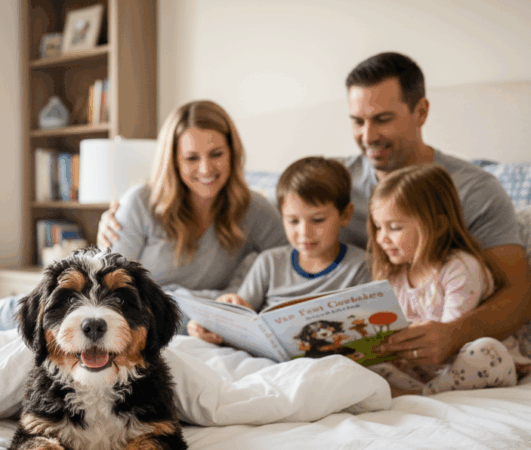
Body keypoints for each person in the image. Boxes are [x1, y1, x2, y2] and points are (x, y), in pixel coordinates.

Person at [98, 52, 531, 364]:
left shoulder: (475, 189)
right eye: (357, 121)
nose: (368, 136)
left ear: (421, 111)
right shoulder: (331, 183)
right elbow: (287, 243)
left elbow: (520, 293)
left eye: (383, 119)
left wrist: (454, 333)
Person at [0, 100, 288, 338]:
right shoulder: (142, 202)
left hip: (197, 322)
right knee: (26, 310)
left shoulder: (256, 210)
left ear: (232, 153)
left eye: (216, 154)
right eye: (191, 158)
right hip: (128, 308)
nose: (206, 169)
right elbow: (110, 284)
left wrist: (234, 306)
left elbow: (291, 267)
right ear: (173, 160)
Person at [367, 163, 529, 396]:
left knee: (485, 352)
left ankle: (422, 396)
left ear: (437, 225)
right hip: (425, 369)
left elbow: (450, 342)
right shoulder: (394, 275)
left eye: (394, 228)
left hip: (462, 360)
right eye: (378, 227)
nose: (382, 238)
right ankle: (428, 391)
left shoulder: (460, 268)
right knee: (363, 365)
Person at [187, 156, 371, 345]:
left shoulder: (362, 267)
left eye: (317, 220)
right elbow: (239, 316)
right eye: (293, 221)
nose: (304, 233)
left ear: (345, 215)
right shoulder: (269, 263)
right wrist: (210, 322)